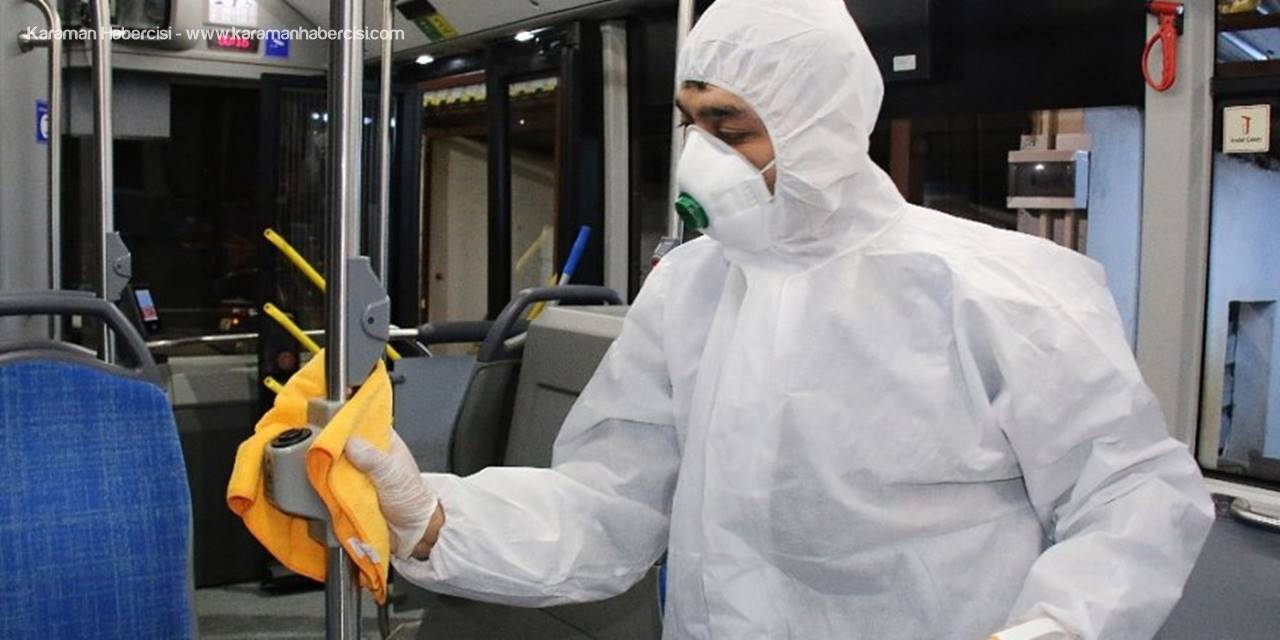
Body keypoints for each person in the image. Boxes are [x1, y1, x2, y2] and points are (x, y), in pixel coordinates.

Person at [345, 0, 1214, 637]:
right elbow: (610, 505)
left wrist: (1055, 628)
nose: (700, 157)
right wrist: (434, 518)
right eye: (691, 124)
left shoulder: (996, 287)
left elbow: (1134, 493)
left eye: (731, 127)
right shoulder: (691, 289)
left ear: (821, 127)